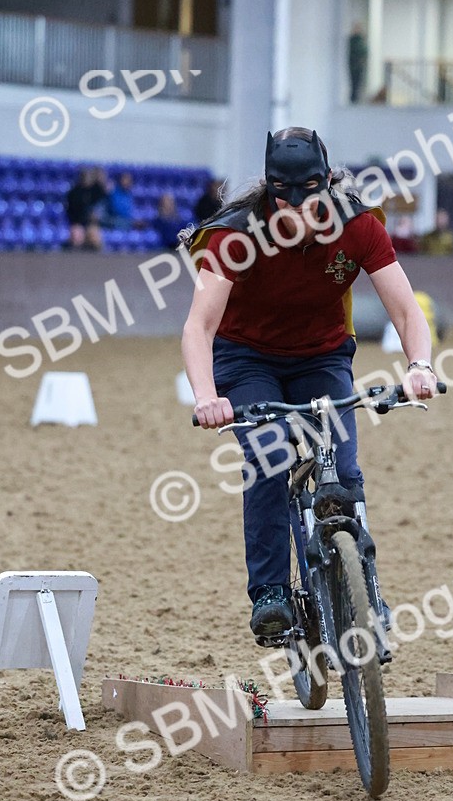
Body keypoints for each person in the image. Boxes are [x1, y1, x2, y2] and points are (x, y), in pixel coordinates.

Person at [182, 126, 439, 639]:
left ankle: (366, 588)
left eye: (309, 200)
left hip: (321, 357)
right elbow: (199, 327)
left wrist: (420, 367)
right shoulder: (236, 236)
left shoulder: (358, 227)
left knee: (343, 470)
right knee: (270, 456)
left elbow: (408, 311)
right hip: (246, 360)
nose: (297, 213)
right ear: (271, 192)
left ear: (326, 186)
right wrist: (207, 397)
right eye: (285, 202)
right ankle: (271, 591)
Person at [65, 168, 103, 250]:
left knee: (95, 236)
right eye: (85, 177)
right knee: (77, 236)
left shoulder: (95, 191)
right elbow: (71, 210)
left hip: (91, 223)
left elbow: (101, 201)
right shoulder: (74, 192)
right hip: (77, 222)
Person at [348, 23, 368, 104]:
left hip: (359, 66)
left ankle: (356, 99)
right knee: (354, 83)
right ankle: (354, 99)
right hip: (354, 66)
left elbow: (364, 52)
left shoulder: (361, 41)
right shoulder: (353, 41)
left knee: (358, 83)